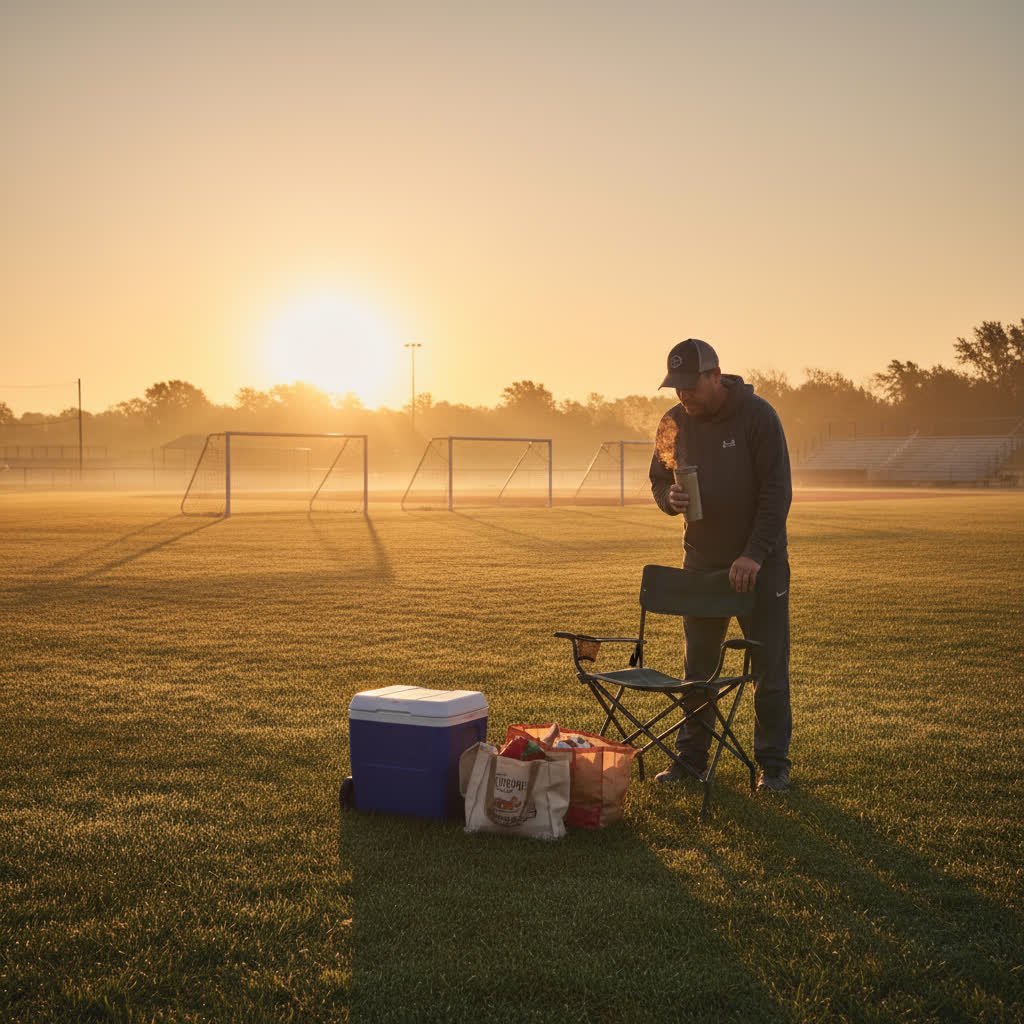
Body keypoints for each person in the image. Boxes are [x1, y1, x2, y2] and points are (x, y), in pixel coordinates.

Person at [649, 338, 793, 793]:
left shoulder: (759, 417)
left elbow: (776, 493)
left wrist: (753, 553)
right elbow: (658, 477)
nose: (682, 395)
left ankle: (773, 767)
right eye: (676, 387)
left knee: (769, 668)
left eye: (690, 385)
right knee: (699, 670)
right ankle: (690, 761)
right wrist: (667, 501)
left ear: (715, 376)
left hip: (759, 566)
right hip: (702, 564)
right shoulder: (672, 424)